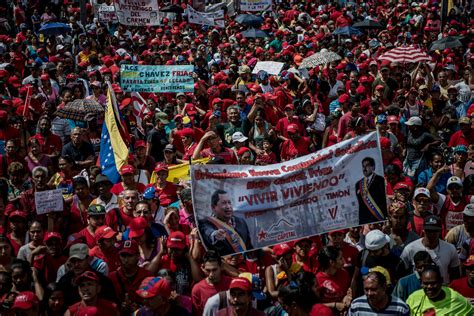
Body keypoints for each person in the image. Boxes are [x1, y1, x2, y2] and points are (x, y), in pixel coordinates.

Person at [400, 215, 460, 284]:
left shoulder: (450, 248)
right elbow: (401, 273)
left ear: (440, 231)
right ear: (423, 230)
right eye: (428, 231)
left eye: (434, 231)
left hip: (443, 289)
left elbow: (455, 275)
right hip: (417, 289)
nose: (431, 234)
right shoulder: (410, 249)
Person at [198, 190, 253, 256]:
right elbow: (207, 231)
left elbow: (249, 246)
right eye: (224, 203)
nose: (228, 206)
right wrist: (215, 235)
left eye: (229, 202)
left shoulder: (241, 222)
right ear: (213, 207)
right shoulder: (206, 223)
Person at [406, 265, 474, 315]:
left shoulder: (456, 300)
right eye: (426, 283)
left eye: (433, 283)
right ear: (421, 283)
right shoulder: (413, 298)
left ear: (441, 281)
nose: (429, 287)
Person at [191, 250, 232, 315]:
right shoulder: (197, 290)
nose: (211, 274)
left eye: (214, 270)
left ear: (221, 267)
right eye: (208, 270)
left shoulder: (231, 284)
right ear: (203, 268)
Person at [355, 157, 388, 225]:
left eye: (367, 165)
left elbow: (383, 200)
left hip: (377, 218)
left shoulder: (380, 180)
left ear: (373, 167)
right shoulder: (358, 184)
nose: (364, 169)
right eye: (363, 166)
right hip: (364, 220)